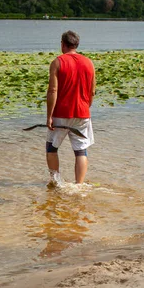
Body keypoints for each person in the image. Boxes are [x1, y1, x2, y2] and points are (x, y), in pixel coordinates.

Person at [45, 30, 96, 184]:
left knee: (51, 148)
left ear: (63, 44)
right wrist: (86, 107)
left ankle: (56, 182)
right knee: (80, 150)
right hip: (82, 113)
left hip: (61, 113)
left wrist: (49, 116)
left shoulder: (58, 62)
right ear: (76, 45)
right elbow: (92, 91)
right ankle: (79, 185)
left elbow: (53, 90)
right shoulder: (89, 63)